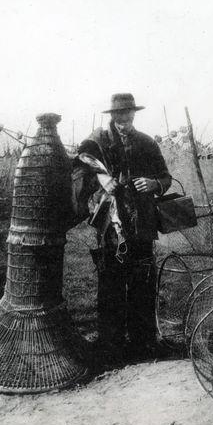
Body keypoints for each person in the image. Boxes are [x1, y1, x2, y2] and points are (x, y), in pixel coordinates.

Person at [73, 93, 172, 363]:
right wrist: (102, 180)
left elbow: (166, 177)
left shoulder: (147, 143)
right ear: (112, 116)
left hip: (141, 222)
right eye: (120, 116)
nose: (124, 120)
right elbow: (80, 169)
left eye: (128, 115)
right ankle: (111, 347)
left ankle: (143, 345)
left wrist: (154, 184)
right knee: (111, 283)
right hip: (111, 224)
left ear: (134, 115)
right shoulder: (97, 143)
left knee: (142, 282)